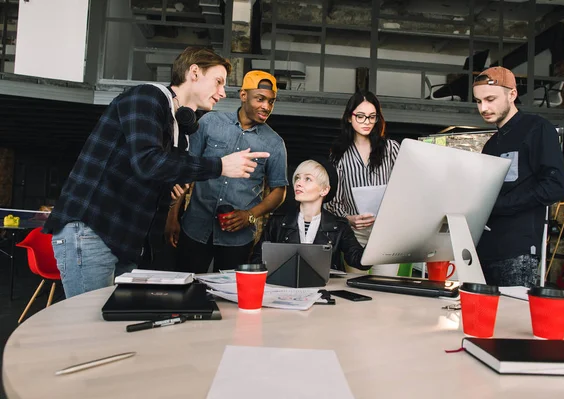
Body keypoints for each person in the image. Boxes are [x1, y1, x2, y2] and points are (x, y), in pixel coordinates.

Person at [44, 47, 270, 298]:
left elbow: (151, 176)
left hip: (125, 241)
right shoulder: (146, 97)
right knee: (89, 330)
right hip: (92, 230)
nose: (222, 92)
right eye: (218, 82)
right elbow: (148, 162)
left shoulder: (180, 134)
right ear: (194, 72)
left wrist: (170, 192)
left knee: (108, 332)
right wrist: (220, 166)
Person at [166, 70, 288, 273]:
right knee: (184, 289)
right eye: (260, 99)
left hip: (237, 239)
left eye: (271, 101)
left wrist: (250, 215)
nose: (266, 107)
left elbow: (279, 191)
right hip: (195, 227)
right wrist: (172, 217)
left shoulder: (274, 143)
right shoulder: (209, 123)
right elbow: (186, 169)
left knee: (230, 299)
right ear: (243, 95)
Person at [472, 66, 564, 287]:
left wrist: (499, 205)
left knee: (515, 320)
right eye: (478, 101)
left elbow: (554, 186)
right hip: (483, 252)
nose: (484, 108)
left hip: (517, 253)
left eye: (490, 99)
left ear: (512, 94)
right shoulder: (491, 145)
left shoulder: (537, 128)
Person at [325, 90, 400, 274]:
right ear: (349, 118)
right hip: (355, 232)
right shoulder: (338, 153)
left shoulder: (390, 148)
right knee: (355, 286)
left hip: (386, 231)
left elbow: (405, 186)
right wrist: (348, 219)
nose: (366, 122)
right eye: (360, 116)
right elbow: (332, 199)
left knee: (386, 289)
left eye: (371, 117)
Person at [251, 159, 368, 271]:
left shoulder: (339, 226)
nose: (298, 183)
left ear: (324, 190)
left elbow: (359, 260)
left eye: (307, 179)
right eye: (297, 178)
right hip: (285, 287)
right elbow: (257, 259)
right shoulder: (277, 222)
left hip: (327, 288)